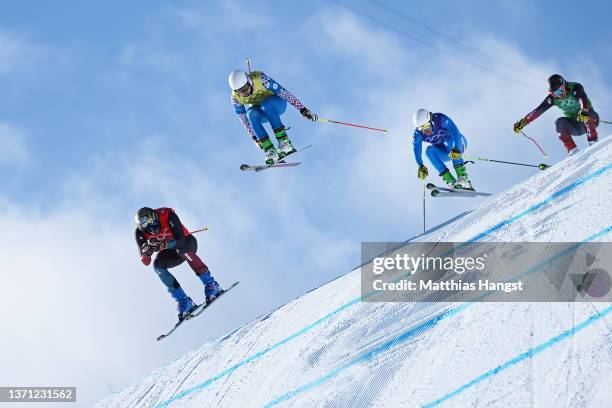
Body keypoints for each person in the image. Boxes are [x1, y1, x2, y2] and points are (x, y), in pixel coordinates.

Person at [134, 207, 221, 321]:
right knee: (157, 266)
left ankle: (211, 284)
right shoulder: (140, 232)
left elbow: (181, 241)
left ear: (153, 217)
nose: (152, 230)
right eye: (147, 229)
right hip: (170, 252)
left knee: (182, 250)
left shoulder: (167, 215)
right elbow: (146, 262)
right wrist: (146, 252)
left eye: (153, 226)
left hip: (186, 243)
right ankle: (184, 301)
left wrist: (162, 245)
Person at [228, 69, 318, 164]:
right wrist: (254, 138)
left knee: (266, 104)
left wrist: (303, 109)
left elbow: (284, 93)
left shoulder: (262, 80)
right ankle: (270, 151)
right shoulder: (235, 98)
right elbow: (243, 119)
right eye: (239, 91)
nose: (244, 93)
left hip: (277, 105)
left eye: (245, 87)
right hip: (262, 113)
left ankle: (285, 143)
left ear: (248, 80)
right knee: (251, 114)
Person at [513, 74, 599, 155]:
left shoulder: (575, 87)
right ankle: (573, 151)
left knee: (585, 116)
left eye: (560, 90)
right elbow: (538, 111)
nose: (560, 95)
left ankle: (593, 143)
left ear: (564, 85)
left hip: (590, 118)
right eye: (555, 93)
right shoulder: (552, 99)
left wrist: (584, 110)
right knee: (559, 123)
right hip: (575, 125)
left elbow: (582, 99)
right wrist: (523, 123)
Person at [412, 108, 472, 189]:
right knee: (429, 151)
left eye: (427, 126)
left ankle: (463, 178)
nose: (425, 130)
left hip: (458, 143)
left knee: (450, 140)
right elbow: (416, 148)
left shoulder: (441, 119)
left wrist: (456, 148)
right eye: (421, 128)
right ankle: (451, 181)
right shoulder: (418, 134)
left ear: (431, 120)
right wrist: (420, 165)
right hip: (445, 152)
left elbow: (455, 133)